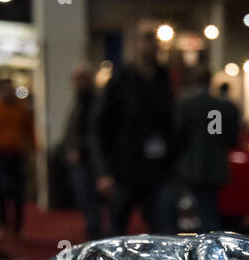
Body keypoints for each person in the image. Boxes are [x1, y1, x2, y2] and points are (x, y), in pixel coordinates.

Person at [91, 28, 176, 235]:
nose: (150, 48)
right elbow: (98, 126)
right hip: (124, 170)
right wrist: (103, 171)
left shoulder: (164, 79)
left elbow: (171, 124)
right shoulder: (121, 80)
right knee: (117, 233)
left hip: (158, 170)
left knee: (164, 232)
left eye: (153, 42)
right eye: (145, 42)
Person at [172, 65, 238, 233]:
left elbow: (178, 136)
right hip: (214, 166)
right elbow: (228, 138)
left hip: (193, 166)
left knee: (195, 212)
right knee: (209, 209)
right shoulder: (220, 107)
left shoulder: (187, 105)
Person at [0, 78, 36, 237]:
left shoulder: (22, 110)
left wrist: (32, 151)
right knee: (1, 191)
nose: (8, 93)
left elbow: (30, 131)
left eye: (10, 90)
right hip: (0, 155)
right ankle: (2, 225)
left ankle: (18, 228)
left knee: (19, 191)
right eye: (5, 90)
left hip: (18, 155)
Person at [62, 65, 103, 240]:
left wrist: (80, 149)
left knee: (91, 202)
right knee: (85, 201)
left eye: (82, 79)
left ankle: (96, 237)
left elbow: (94, 133)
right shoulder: (79, 102)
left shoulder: (93, 102)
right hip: (79, 161)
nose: (79, 84)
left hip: (89, 161)